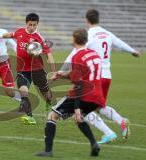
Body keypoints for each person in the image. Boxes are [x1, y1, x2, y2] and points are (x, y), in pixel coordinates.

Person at [59, 9, 141, 143]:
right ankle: (121, 121)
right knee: (98, 106)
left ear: (87, 20)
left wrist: (60, 71)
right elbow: (119, 43)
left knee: (84, 108)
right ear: (98, 19)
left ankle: (108, 132)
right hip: (107, 76)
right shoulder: (107, 33)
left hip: (93, 76)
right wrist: (133, 51)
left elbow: (73, 54)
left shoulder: (88, 35)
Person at [35, 29, 103, 157]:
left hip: (83, 94)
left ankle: (48, 151)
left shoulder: (77, 57)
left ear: (74, 40)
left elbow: (78, 83)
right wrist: (61, 75)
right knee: (79, 119)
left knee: (52, 116)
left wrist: (76, 107)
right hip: (97, 95)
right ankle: (94, 144)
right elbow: (82, 75)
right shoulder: (95, 54)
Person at [0, 13, 55, 125]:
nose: (32, 27)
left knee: (46, 94)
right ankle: (30, 117)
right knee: (23, 92)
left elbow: (49, 54)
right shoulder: (20, 31)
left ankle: (49, 106)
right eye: (30, 25)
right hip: (22, 70)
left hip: (37, 70)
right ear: (26, 23)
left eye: (34, 25)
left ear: (37, 25)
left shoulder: (39, 38)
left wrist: (53, 70)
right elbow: (10, 35)